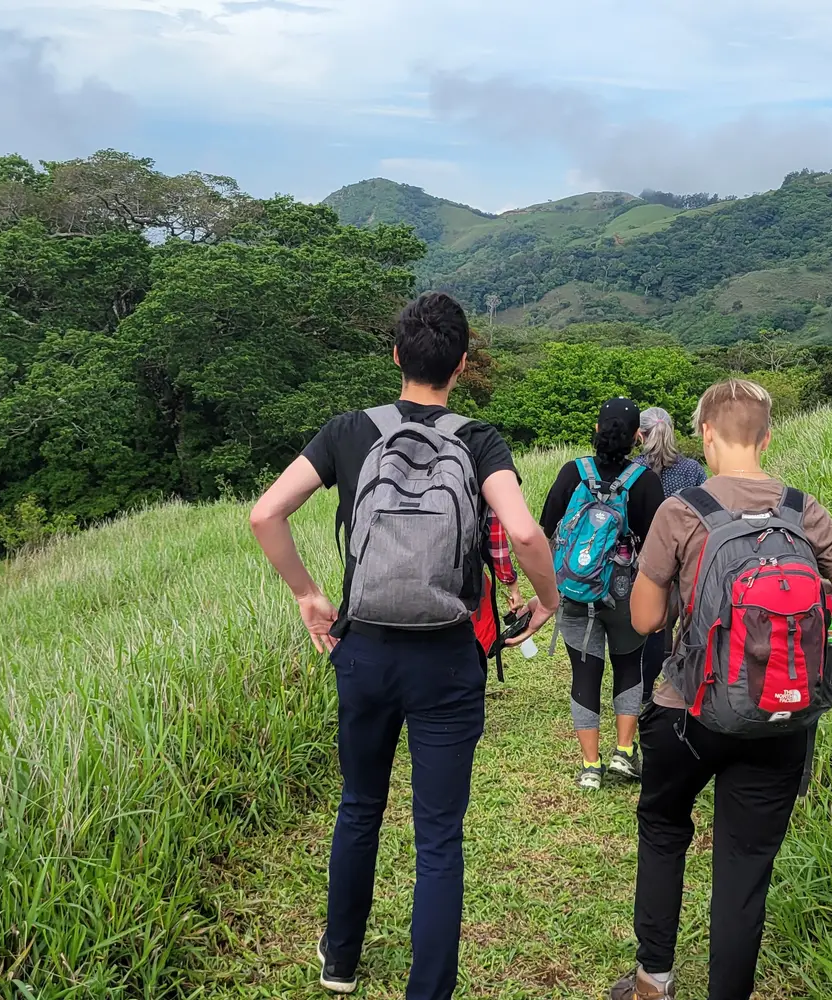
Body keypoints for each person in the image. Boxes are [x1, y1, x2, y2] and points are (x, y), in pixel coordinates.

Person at [249, 291, 559, 1000]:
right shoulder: (480, 440)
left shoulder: (348, 431)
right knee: (438, 836)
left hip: (363, 653)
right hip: (447, 655)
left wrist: (308, 594)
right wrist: (549, 600)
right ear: (462, 364)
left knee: (360, 805)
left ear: (395, 355)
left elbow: (265, 513)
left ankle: (341, 963)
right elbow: (527, 533)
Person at [611, 379, 832, 1000]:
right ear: (766, 437)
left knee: (662, 824)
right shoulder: (804, 510)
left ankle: (653, 979)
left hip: (691, 714)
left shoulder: (682, 512)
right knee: (744, 869)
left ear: (704, 435)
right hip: (781, 717)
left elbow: (647, 620)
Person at [540, 398, 663, 790]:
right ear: (636, 438)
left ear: (596, 430)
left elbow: (545, 528)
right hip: (626, 593)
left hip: (577, 591)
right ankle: (623, 753)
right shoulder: (644, 481)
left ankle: (590, 766)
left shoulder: (572, 472)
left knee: (584, 672)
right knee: (628, 667)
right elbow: (658, 547)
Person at [632, 406, 706, 694]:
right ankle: (684, 684)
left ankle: (646, 690)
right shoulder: (693, 470)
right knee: (685, 624)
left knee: (651, 626)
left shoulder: (633, 470)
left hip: (645, 560)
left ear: (640, 434)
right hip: (687, 559)